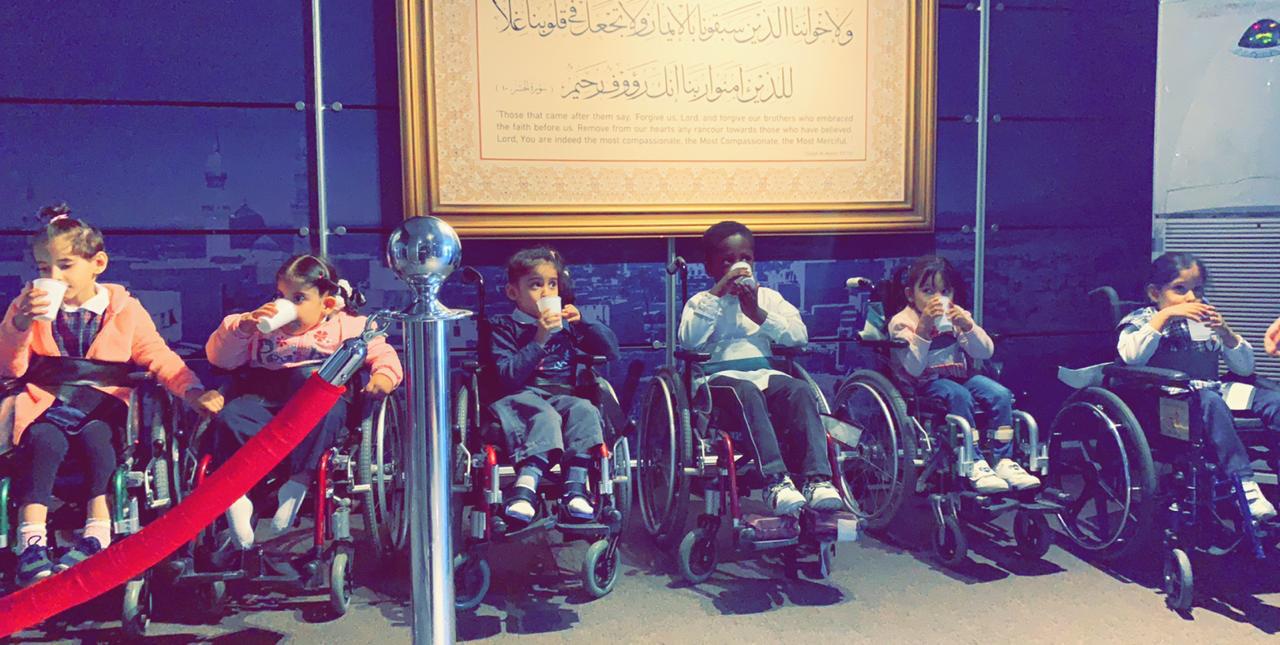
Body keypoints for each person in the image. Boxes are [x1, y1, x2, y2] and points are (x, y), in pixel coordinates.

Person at [0, 203, 222, 586]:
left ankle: (97, 532)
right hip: (47, 403)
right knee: (43, 441)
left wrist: (191, 390)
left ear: (97, 263)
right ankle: (31, 542)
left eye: (65, 266)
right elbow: (11, 368)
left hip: (102, 405)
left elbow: (157, 356)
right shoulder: (25, 309)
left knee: (98, 441)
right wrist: (19, 324)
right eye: (43, 269)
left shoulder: (124, 311)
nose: (53, 277)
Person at [205, 254, 402, 559]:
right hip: (266, 400)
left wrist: (384, 376)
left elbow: (381, 352)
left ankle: (298, 482)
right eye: (281, 296)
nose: (287, 305)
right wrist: (242, 327)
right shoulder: (259, 327)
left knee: (328, 410)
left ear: (326, 303)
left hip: (317, 401)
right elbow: (220, 358)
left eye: (299, 298)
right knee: (231, 417)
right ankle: (238, 495)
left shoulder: (347, 325)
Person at [678, 220, 842, 515]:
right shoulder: (701, 302)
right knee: (746, 391)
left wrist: (758, 313)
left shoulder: (769, 298)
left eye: (745, 259)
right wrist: (719, 292)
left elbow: (799, 336)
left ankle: (817, 479)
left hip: (766, 375)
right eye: (727, 261)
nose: (738, 266)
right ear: (710, 267)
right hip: (718, 380)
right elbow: (689, 341)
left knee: (800, 390)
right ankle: (775, 481)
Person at [1117, 251, 1279, 519]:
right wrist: (1165, 316)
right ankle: (1244, 485)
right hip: (1168, 403)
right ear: (1155, 293)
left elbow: (1244, 369)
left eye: (1198, 290)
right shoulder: (1141, 321)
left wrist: (1225, 332)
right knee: (1209, 400)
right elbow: (1132, 358)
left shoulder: (1203, 322)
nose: (1191, 298)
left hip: (1211, 391)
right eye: (1180, 289)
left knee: (1273, 399)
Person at [887, 255, 1041, 494]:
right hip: (925, 382)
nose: (937, 298)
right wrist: (924, 329)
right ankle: (974, 461)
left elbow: (985, 352)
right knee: (959, 395)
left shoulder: (956, 316)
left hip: (961, 376)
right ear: (910, 295)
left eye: (945, 291)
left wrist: (968, 326)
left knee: (1000, 394)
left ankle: (1003, 460)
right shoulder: (902, 322)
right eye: (927, 291)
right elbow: (913, 368)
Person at [489, 247, 619, 522]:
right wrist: (540, 338)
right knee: (545, 415)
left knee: (585, 410)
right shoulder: (503, 327)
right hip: (520, 396)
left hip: (563, 395)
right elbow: (507, 376)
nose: (546, 293)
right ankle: (525, 488)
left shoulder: (568, 327)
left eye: (552, 284)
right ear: (513, 292)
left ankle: (575, 488)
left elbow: (611, 351)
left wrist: (584, 323)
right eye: (536, 285)